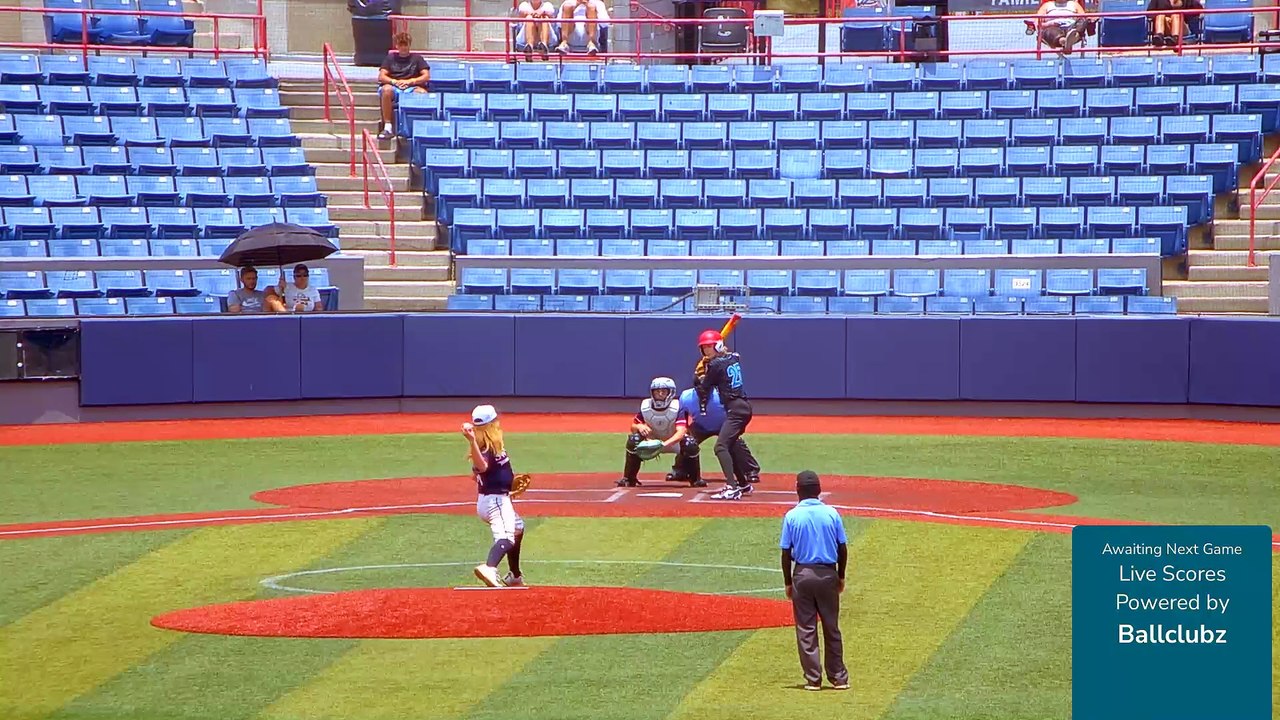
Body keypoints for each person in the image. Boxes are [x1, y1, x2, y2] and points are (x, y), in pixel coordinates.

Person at [780, 470, 849, 692]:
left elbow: (785, 552)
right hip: (828, 574)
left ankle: (813, 679)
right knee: (832, 628)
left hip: (802, 575)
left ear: (798, 490)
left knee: (806, 629)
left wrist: (788, 582)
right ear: (818, 490)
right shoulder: (832, 513)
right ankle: (838, 677)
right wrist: (840, 576)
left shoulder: (791, 516)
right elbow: (842, 548)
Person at [463, 404, 527, 587]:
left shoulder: (491, 445)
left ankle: (515, 575)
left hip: (494, 498)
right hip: (495, 502)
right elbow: (482, 467)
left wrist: (507, 484)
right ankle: (490, 567)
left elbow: (476, 475)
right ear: (492, 425)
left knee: (518, 528)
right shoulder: (485, 448)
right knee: (506, 537)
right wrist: (471, 441)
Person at [694, 328, 754, 501]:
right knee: (731, 445)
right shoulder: (732, 358)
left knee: (720, 447)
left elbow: (704, 389)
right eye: (704, 348)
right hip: (742, 407)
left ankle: (731, 487)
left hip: (736, 409)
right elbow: (732, 357)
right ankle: (742, 483)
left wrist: (699, 377)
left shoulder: (715, 365)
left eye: (710, 347)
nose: (706, 350)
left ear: (718, 346)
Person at [618, 377, 704, 488]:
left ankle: (696, 479)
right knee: (633, 440)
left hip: (673, 443)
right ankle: (628, 478)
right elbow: (633, 426)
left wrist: (663, 445)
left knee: (690, 443)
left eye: (663, 391)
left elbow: (681, 432)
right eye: (657, 391)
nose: (660, 394)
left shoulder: (678, 407)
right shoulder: (645, 406)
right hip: (651, 442)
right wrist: (639, 426)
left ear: (670, 393)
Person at [673, 385, 760, 486]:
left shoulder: (723, 394)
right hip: (700, 426)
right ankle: (681, 470)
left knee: (735, 442)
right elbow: (683, 416)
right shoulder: (686, 396)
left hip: (723, 425)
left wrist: (736, 428)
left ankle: (750, 471)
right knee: (687, 441)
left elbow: (738, 411)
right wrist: (686, 432)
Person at [377, 31, 431, 140]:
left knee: (422, 93)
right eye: (400, 45)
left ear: (409, 45)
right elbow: (381, 76)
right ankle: (388, 126)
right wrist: (394, 82)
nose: (403, 47)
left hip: (410, 86)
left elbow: (426, 76)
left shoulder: (417, 59)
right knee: (386, 90)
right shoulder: (390, 58)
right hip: (394, 86)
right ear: (397, 46)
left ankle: (417, 127)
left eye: (405, 44)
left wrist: (411, 81)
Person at [1025, 0, 1090, 54]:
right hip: (1053, 28)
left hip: (1071, 27)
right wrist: (1049, 24)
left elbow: (1083, 18)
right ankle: (1064, 42)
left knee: (1082, 23)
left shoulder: (1075, 4)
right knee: (1051, 31)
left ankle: (1069, 40)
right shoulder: (1047, 5)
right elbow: (1037, 22)